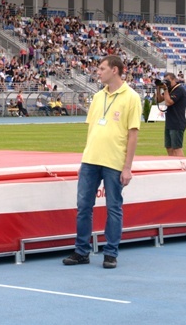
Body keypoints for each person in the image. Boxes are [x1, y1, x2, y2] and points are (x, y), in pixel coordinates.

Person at [63, 55, 141, 269]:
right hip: (91, 160)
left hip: (114, 161)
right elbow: (92, 130)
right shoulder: (98, 97)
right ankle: (81, 251)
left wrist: (127, 167)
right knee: (83, 207)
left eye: (101, 68)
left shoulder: (131, 97)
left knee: (113, 207)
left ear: (114, 70)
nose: (97, 71)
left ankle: (111, 253)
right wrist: (85, 157)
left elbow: (133, 134)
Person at [155, 72, 186, 156]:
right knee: (169, 147)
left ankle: (183, 167)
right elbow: (158, 100)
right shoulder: (169, 89)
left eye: (168, 80)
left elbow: (168, 102)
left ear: (174, 80)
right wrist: (158, 88)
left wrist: (165, 89)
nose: (166, 82)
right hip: (170, 122)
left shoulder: (179, 89)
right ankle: (173, 167)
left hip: (177, 122)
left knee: (177, 148)